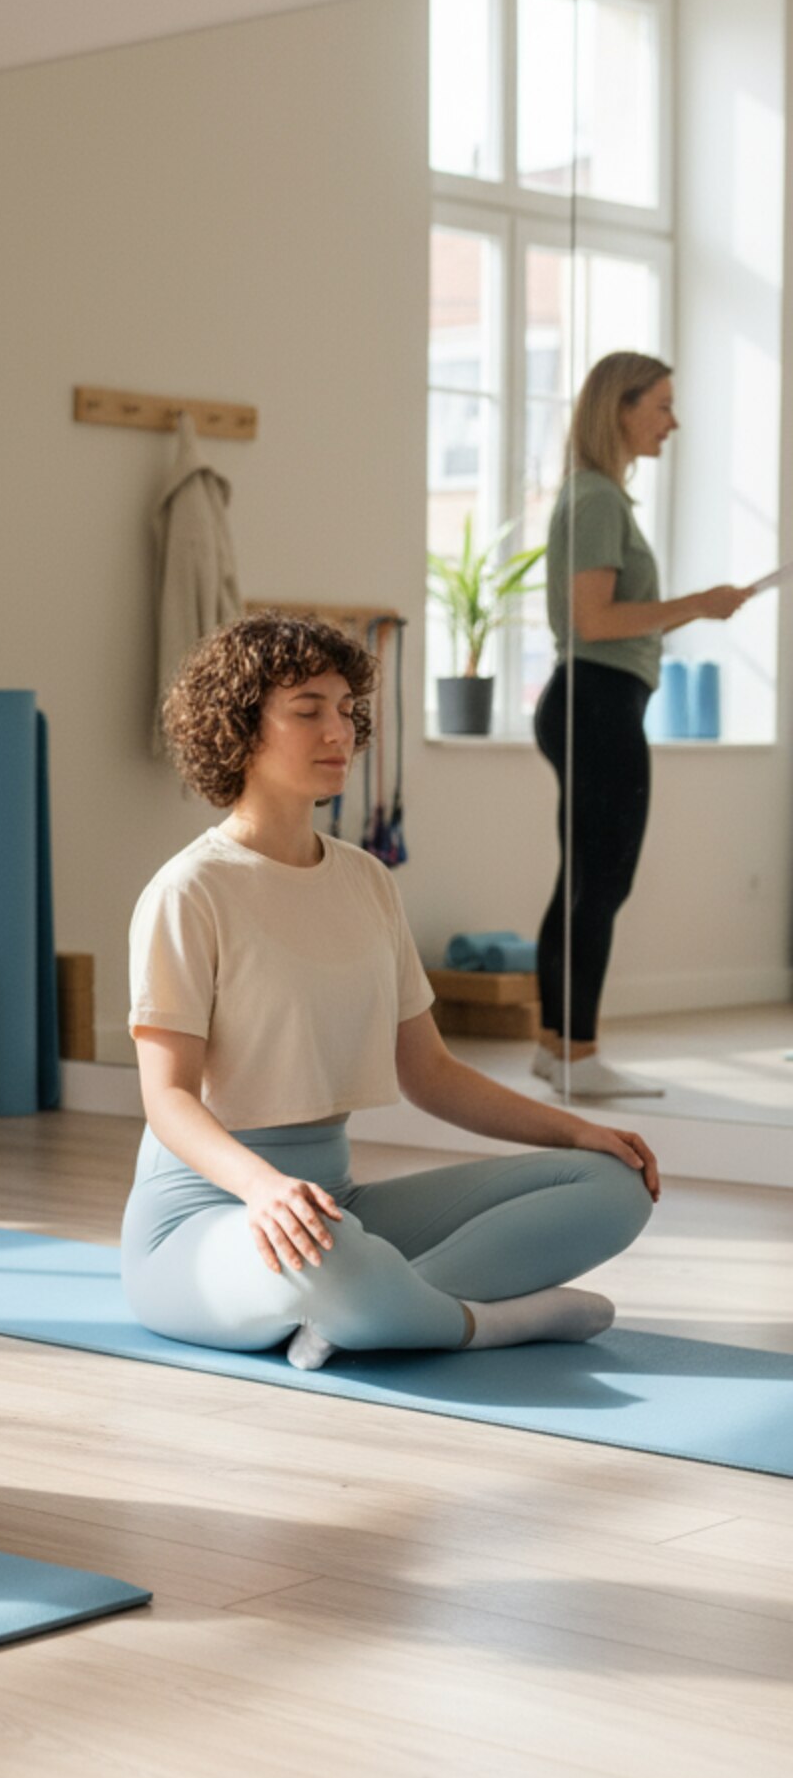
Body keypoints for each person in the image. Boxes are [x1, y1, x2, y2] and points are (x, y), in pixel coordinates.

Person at [123, 613, 657, 1370]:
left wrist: (575, 1132)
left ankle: (378, 1312)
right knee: (333, 1257)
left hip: (335, 1207)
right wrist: (267, 1189)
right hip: (206, 1216)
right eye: (308, 710)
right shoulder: (189, 891)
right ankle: (495, 1321)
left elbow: (430, 1073)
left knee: (614, 1185)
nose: (338, 730)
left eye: (346, 708)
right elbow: (168, 1100)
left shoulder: (367, 881)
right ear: (239, 726)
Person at [534, 353, 759, 1097]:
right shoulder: (597, 497)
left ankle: (556, 1047)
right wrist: (699, 603)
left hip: (594, 699)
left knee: (585, 880)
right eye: (661, 405)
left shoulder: (596, 496)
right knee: (602, 884)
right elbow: (595, 619)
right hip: (597, 700)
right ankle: (580, 1056)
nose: (674, 420)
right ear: (620, 408)